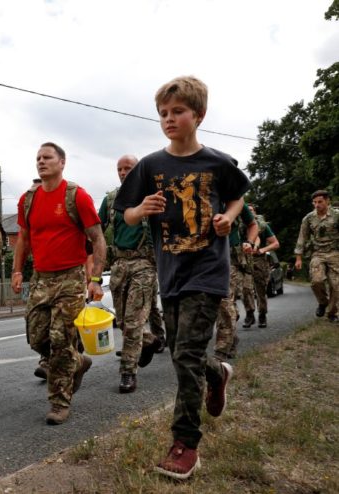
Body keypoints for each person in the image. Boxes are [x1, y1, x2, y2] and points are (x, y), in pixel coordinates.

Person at [114, 76, 250, 479]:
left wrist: (228, 216)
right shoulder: (150, 166)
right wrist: (143, 210)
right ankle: (218, 373)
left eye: (177, 112)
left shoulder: (218, 163)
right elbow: (126, 213)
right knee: (179, 349)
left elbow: (238, 195)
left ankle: (185, 444)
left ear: (199, 115)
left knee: (185, 356)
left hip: (208, 270)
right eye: (163, 114)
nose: (169, 119)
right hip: (170, 271)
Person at [11, 142, 107, 425]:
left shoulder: (76, 196)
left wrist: (97, 279)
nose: (41, 162)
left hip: (70, 278)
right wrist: (17, 271)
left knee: (60, 341)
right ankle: (79, 361)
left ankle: (59, 402)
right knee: (37, 337)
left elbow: (98, 239)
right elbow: (23, 240)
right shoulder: (27, 199)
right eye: (38, 157)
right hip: (40, 277)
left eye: (47, 157)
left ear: (62, 162)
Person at [98, 154, 164, 394]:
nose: (123, 172)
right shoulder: (111, 199)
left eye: (129, 168)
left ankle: (128, 372)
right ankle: (151, 340)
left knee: (135, 321)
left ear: (139, 170)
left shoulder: (153, 196)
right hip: (119, 266)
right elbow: (96, 233)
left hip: (145, 265)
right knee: (125, 323)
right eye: (120, 169)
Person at [213, 203, 257, 360]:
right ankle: (231, 335)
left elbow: (253, 225)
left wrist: (249, 242)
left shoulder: (236, 202)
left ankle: (222, 350)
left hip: (230, 259)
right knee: (218, 304)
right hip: (204, 258)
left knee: (224, 300)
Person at [294, 190, 339, 323]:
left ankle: (332, 313)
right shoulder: (308, 218)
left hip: (335, 253)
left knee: (336, 286)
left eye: (320, 202)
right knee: (316, 281)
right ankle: (322, 302)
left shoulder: (336, 215)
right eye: (314, 202)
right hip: (318, 253)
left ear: (327, 201)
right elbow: (302, 238)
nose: (317, 205)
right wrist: (298, 258)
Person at [244, 204, 280, 328]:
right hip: (244, 260)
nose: (249, 212)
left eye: (251, 211)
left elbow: (275, 243)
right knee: (246, 289)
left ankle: (262, 314)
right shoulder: (239, 226)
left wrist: (262, 249)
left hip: (259, 260)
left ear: (255, 213)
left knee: (261, 290)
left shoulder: (263, 226)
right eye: (246, 211)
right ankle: (249, 313)